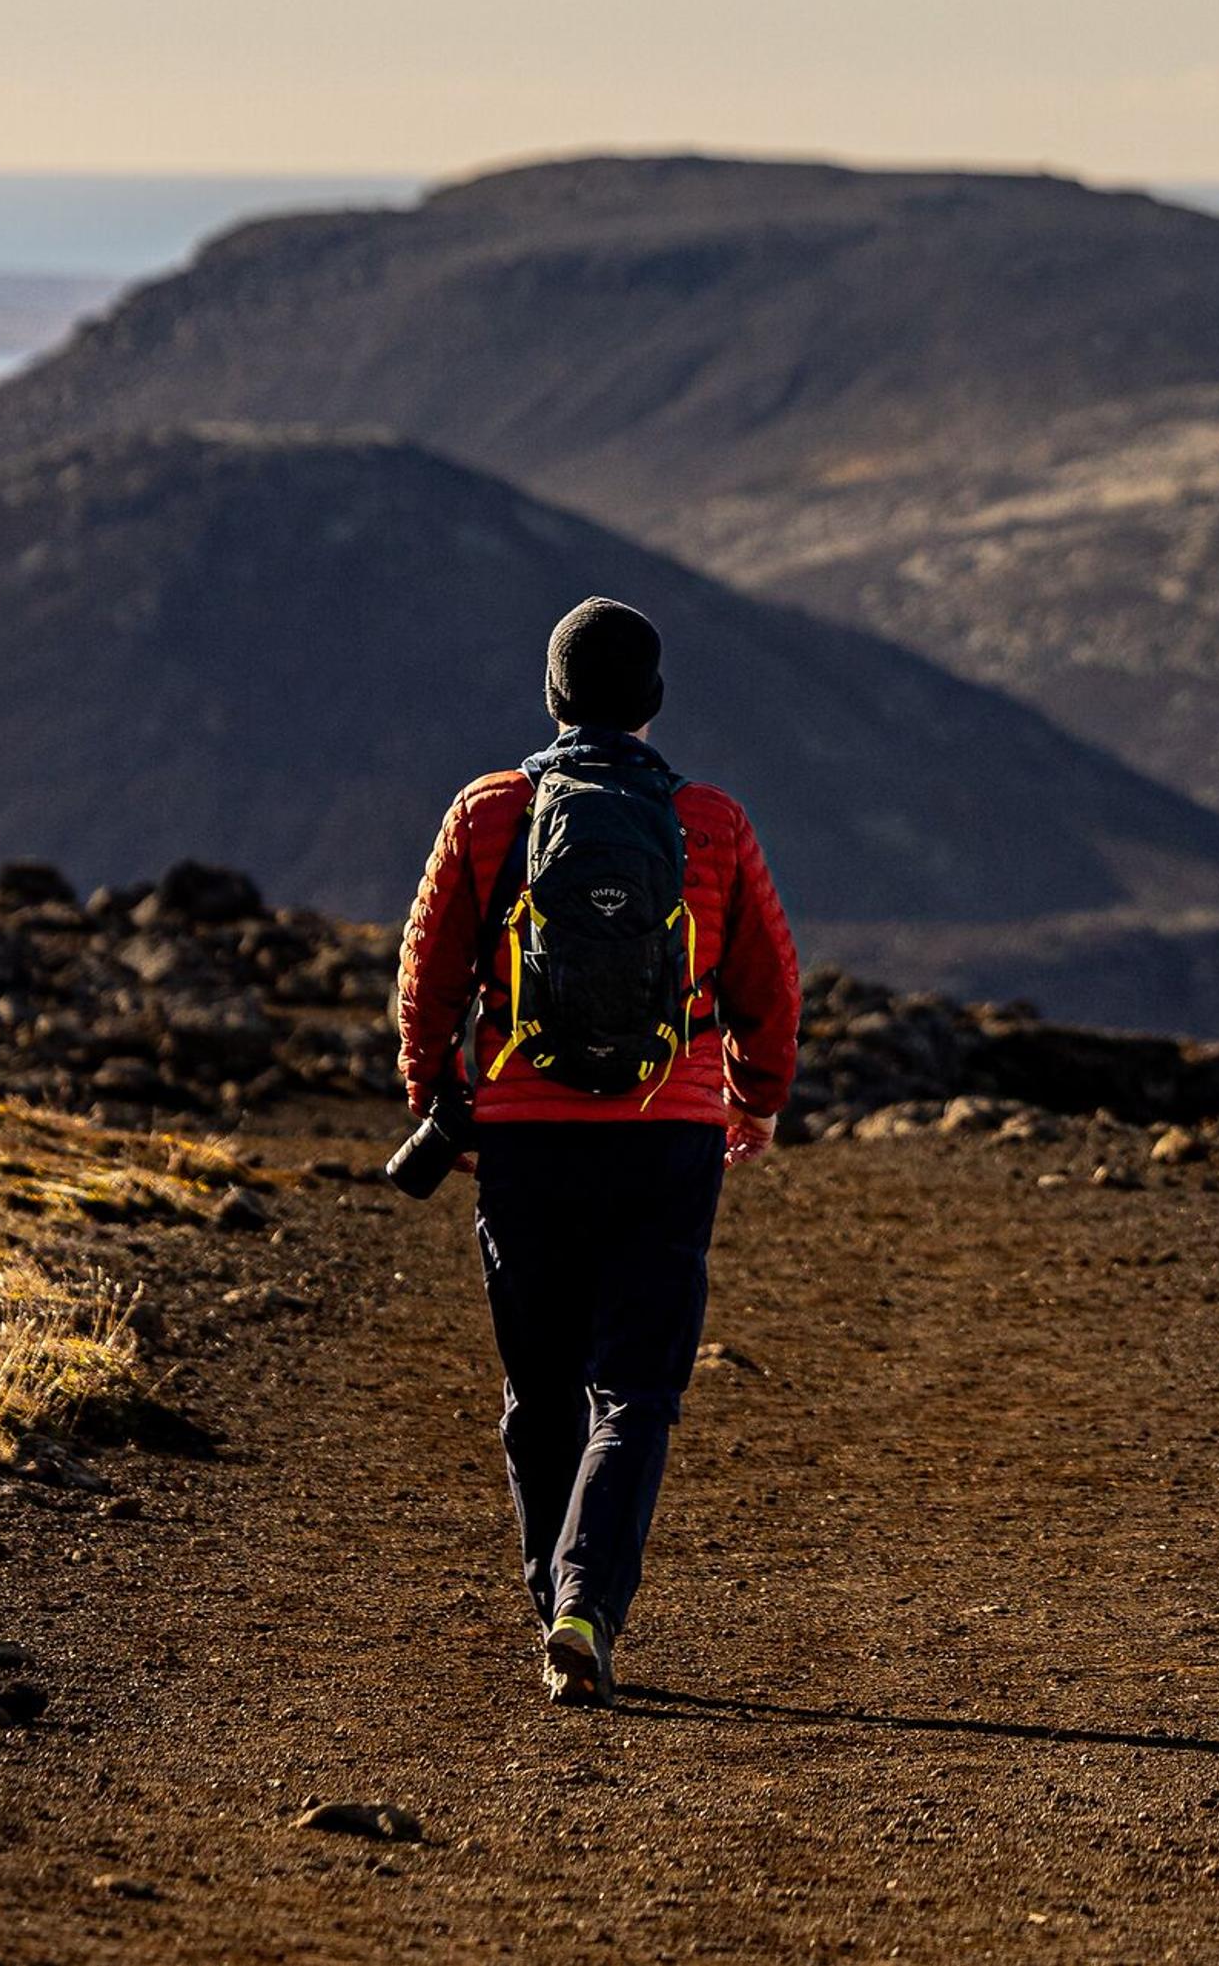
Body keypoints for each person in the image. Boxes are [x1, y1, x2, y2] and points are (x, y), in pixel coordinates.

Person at [394, 596, 798, 1708]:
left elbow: (427, 975)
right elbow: (769, 984)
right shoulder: (710, 822)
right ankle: (587, 1606)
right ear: (653, 703)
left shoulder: (489, 813)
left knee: (539, 1388)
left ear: (553, 696)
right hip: (671, 1135)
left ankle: (552, 1607)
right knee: (637, 1392)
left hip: (524, 1137)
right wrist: (754, 1098)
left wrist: (440, 1097)